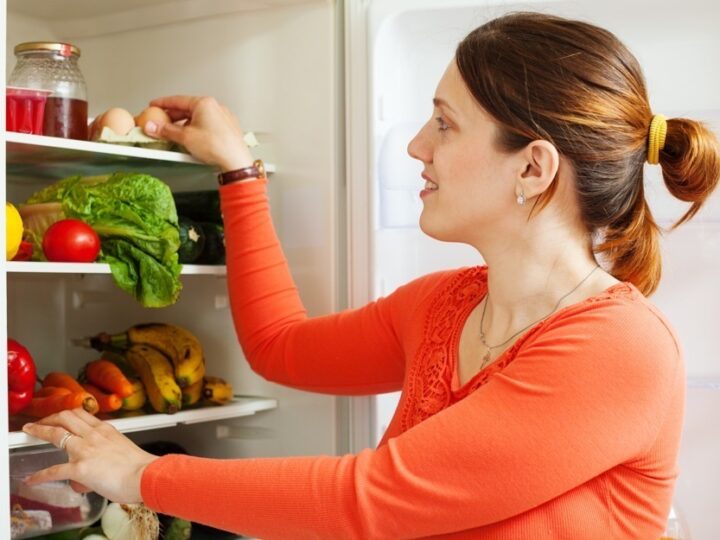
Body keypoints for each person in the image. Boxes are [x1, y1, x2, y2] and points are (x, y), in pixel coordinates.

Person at [22, 12, 720, 539]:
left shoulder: (617, 349)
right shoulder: (445, 306)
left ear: (532, 168)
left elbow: (373, 498)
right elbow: (279, 345)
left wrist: (143, 474)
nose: (417, 145)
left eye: (444, 125)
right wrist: (239, 170)